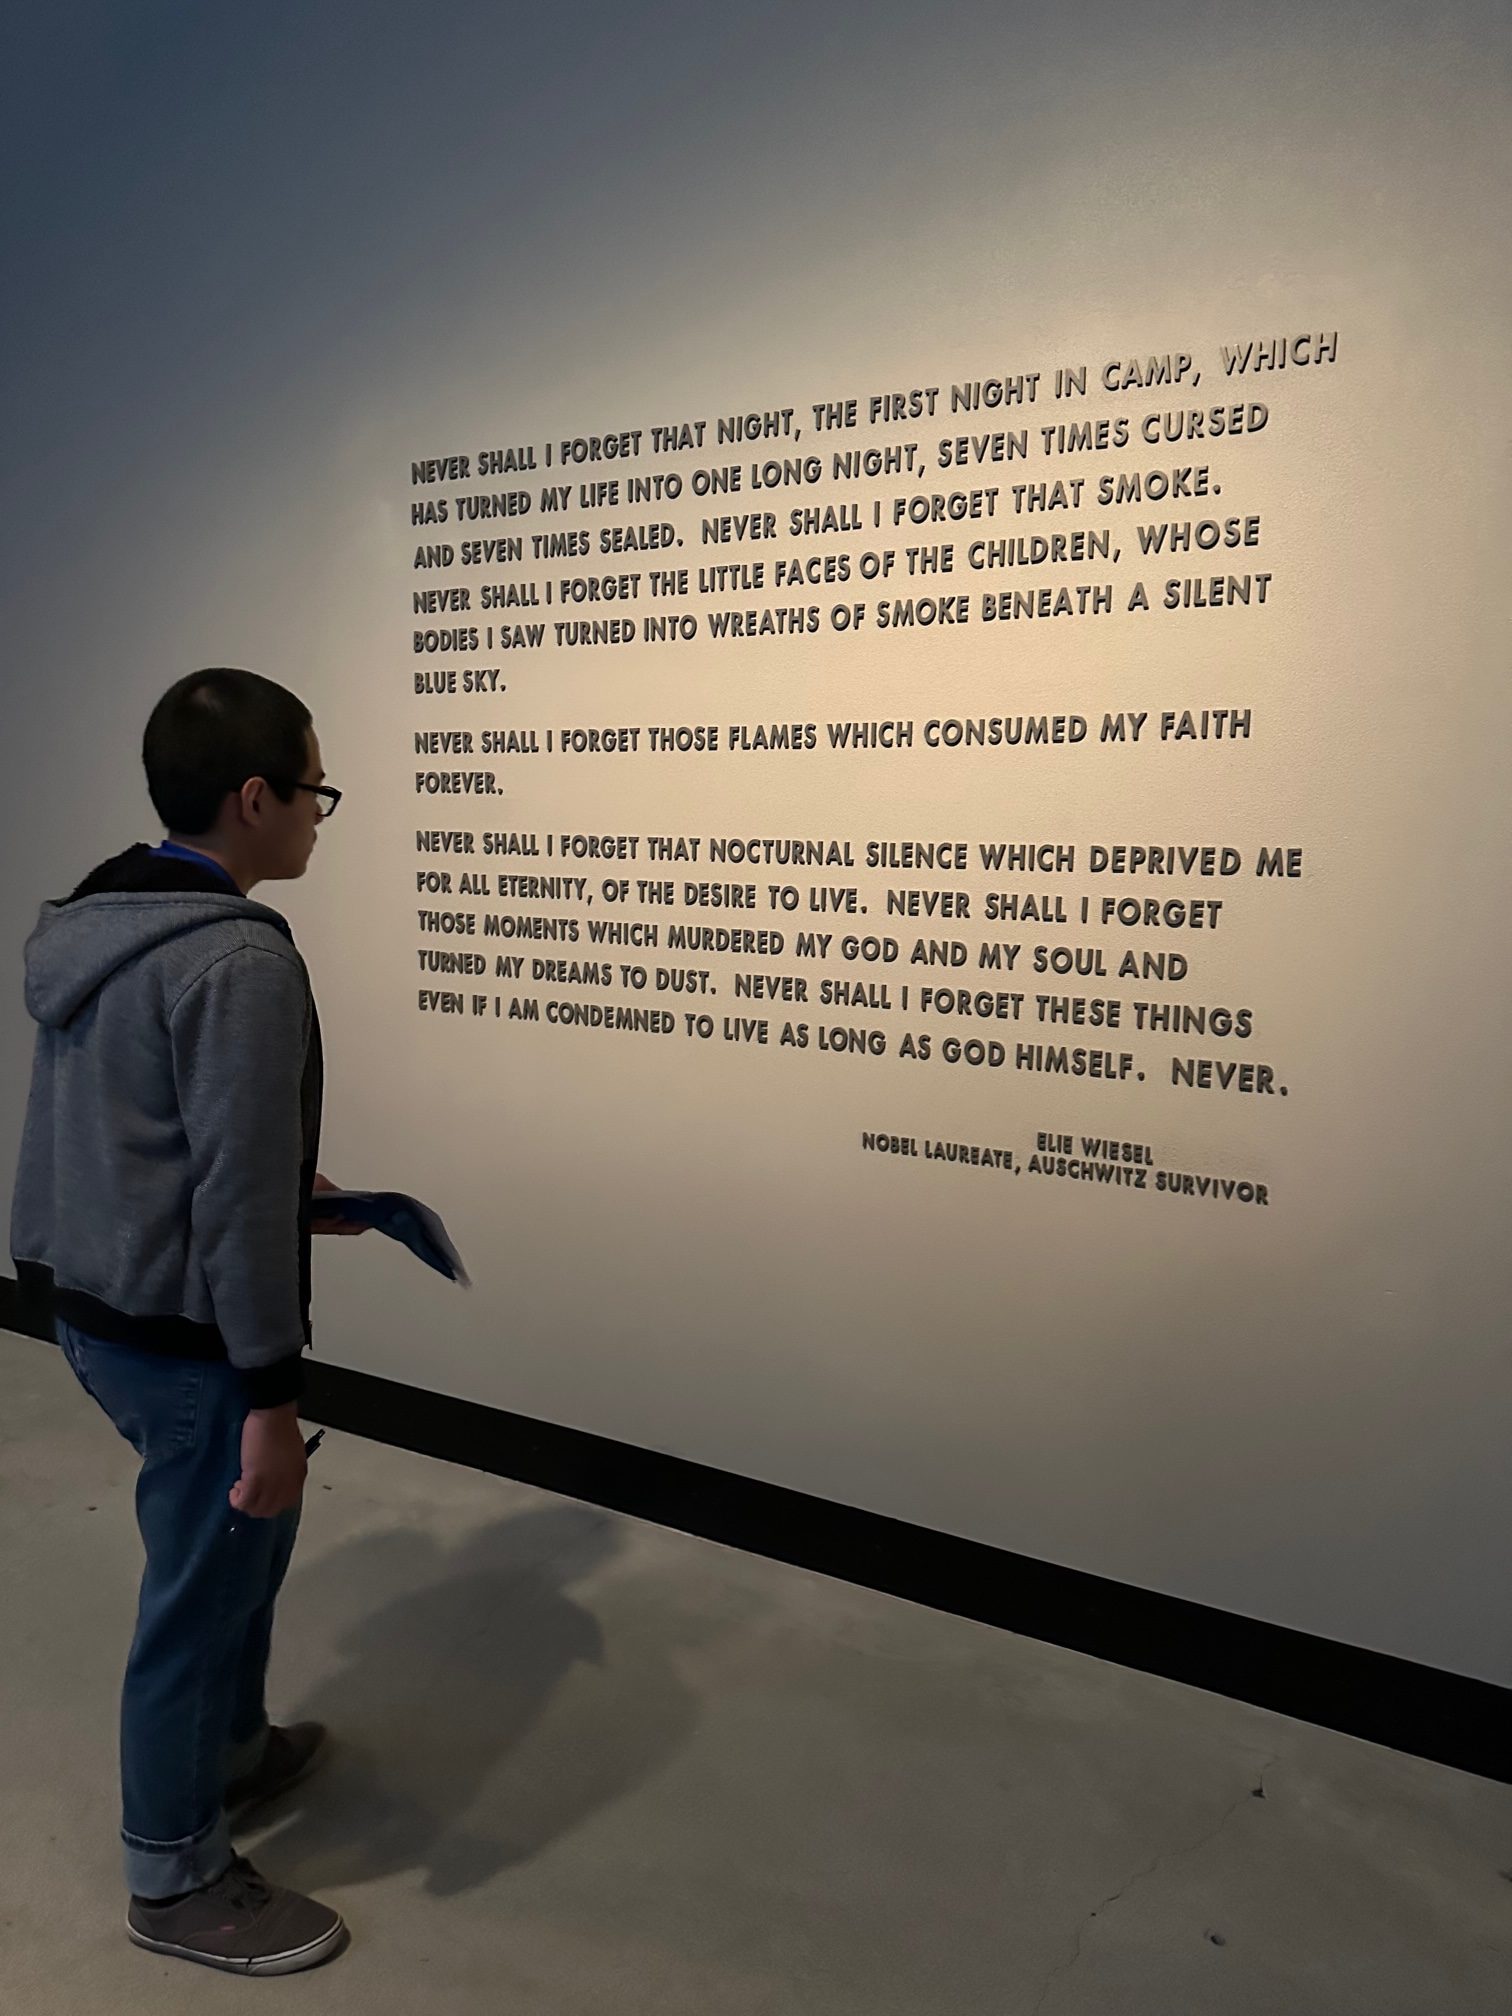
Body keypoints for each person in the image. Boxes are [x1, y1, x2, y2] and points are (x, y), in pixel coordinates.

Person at [11, 667, 357, 1976]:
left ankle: (231, 1754)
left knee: (236, 1554)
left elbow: (138, 1129)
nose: (324, 815)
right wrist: (269, 1393)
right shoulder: (238, 961)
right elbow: (226, 1188)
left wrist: (281, 1187)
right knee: (198, 1593)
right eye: (317, 790)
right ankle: (174, 1876)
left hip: (100, 1304)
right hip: (189, 1338)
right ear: (256, 797)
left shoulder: (107, 920)